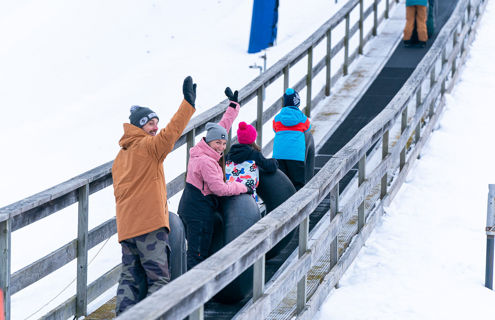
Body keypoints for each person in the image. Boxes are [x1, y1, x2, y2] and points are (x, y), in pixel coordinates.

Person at [112, 76, 196, 315]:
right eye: (150, 124)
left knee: (129, 281)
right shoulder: (149, 147)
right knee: (158, 280)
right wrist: (187, 104)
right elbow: (170, 134)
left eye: (156, 123)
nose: (155, 128)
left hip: (128, 229)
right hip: (149, 226)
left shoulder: (121, 156)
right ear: (140, 126)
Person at [178, 87, 252, 270]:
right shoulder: (206, 162)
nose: (221, 147)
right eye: (218, 143)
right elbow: (220, 189)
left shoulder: (205, 148)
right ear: (209, 141)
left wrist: (233, 107)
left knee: (201, 251)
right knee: (197, 254)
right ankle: (191, 294)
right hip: (198, 212)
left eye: (224, 143)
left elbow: (222, 128)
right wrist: (243, 187)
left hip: (193, 207)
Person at [226, 121, 278, 203]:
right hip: (248, 194)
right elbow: (268, 166)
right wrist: (274, 161)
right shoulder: (254, 154)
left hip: (230, 193)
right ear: (253, 138)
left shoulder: (230, 154)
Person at [272, 88, 311, 191]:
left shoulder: (277, 118)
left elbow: (275, 129)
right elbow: (308, 128)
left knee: (281, 182)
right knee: (297, 183)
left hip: (279, 155)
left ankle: (280, 204)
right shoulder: (303, 118)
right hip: (296, 156)